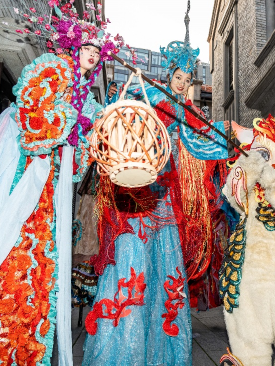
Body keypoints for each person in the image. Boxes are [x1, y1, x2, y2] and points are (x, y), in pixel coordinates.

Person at [0, 1, 121, 364]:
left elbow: (81, 158)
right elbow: (33, 125)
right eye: (87, 48)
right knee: (8, 243)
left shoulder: (88, 95)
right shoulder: (53, 69)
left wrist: (91, 142)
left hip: (51, 184)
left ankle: (24, 338)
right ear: (73, 47)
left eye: (97, 52)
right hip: (24, 169)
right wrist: (71, 120)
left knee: (42, 257)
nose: (91, 56)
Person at [82, 30, 238, 365]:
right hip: (137, 193)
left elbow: (205, 141)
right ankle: (122, 349)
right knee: (132, 263)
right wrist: (154, 98)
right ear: (169, 76)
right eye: (177, 77)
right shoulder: (152, 95)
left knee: (165, 267)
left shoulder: (189, 113)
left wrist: (229, 138)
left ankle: (161, 351)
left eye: (186, 79)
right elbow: (127, 103)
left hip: (166, 198)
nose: (181, 84)